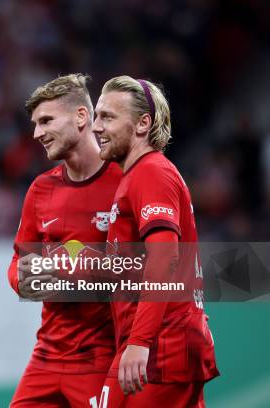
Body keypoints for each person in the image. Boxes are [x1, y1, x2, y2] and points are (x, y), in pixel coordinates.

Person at [92, 75, 219, 407]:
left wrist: (139, 341)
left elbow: (163, 258)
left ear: (142, 124)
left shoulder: (151, 173)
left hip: (162, 345)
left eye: (107, 116)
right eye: (95, 115)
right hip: (169, 342)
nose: (95, 127)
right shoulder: (139, 176)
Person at [8, 74, 122, 407]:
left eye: (46, 121)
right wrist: (26, 280)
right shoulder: (40, 189)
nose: (37, 133)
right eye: (35, 123)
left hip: (101, 355)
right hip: (47, 352)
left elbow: (146, 269)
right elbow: (17, 263)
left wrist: (68, 273)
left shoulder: (125, 183)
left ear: (81, 118)